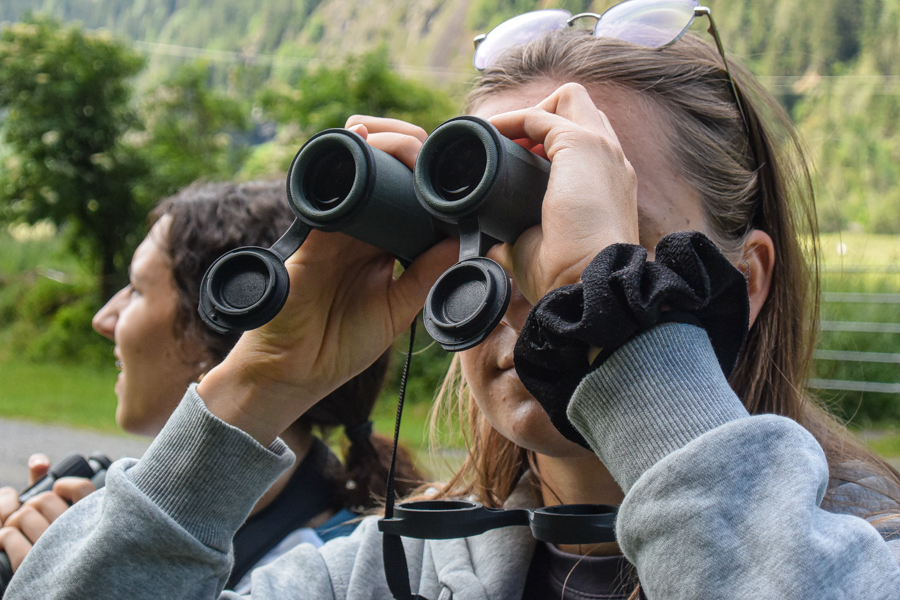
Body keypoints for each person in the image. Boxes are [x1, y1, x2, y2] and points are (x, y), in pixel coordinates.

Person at [6, 3, 900, 598]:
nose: (538, 289)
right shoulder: (386, 571)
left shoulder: (868, 556)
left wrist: (613, 315)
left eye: (596, 231)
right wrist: (262, 384)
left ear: (745, 282)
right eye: (493, 230)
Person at [0, 181, 422, 593]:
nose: (103, 318)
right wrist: (73, 553)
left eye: (136, 289)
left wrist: (81, 578)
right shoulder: (335, 533)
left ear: (215, 324)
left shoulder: (325, 573)